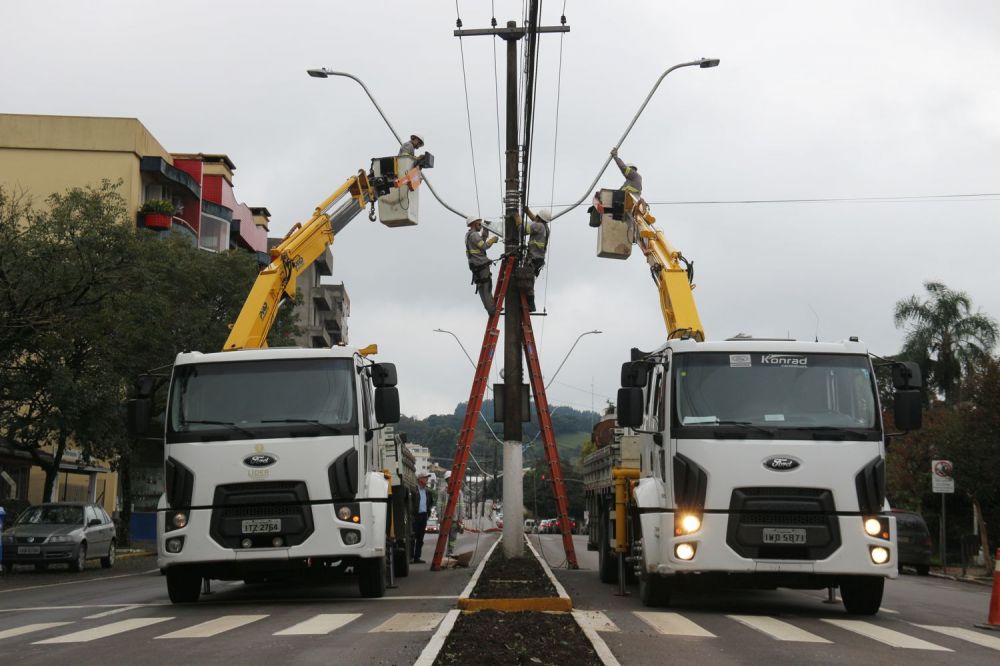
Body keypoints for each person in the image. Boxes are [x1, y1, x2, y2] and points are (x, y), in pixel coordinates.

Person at [465, 216, 499, 315]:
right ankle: (492, 310)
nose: (480, 225)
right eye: (479, 223)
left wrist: (486, 229)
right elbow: (484, 246)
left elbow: (481, 242)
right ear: (474, 223)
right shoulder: (474, 235)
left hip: (476, 266)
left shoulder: (469, 235)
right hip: (481, 265)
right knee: (486, 287)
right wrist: (493, 240)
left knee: (482, 288)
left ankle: (489, 308)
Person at [521, 207, 551, 312]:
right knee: (529, 280)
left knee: (526, 281)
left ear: (539, 218)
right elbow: (535, 220)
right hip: (539, 259)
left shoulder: (538, 226)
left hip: (532, 259)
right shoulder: (545, 227)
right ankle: (530, 303)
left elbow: (522, 229)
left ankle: (530, 305)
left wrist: (517, 218)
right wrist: (528, 211)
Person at [411, 471, 435, 564]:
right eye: (425, 478)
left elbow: (431, 502)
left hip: (424, 516)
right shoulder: (414, 490)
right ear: (420, 479)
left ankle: (417, 557)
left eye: (427, 478)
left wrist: (428, 511)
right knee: (413, 537)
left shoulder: (427, 491)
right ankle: (411, 557)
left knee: (420, 538)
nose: (427, 479)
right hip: (415, 516)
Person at [438, 470, 464, 557]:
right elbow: (439, 505)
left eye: (451, 479)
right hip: (445, 519)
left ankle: (450, 552)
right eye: (448, 479)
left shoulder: (459, 492)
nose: (450, 481)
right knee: (443, 538)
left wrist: (460, 519)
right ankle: (440, 553)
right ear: (446, 480)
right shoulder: (442, 492)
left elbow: (461, 506)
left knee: (453, 537)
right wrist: (440, 517)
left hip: (454, 519)